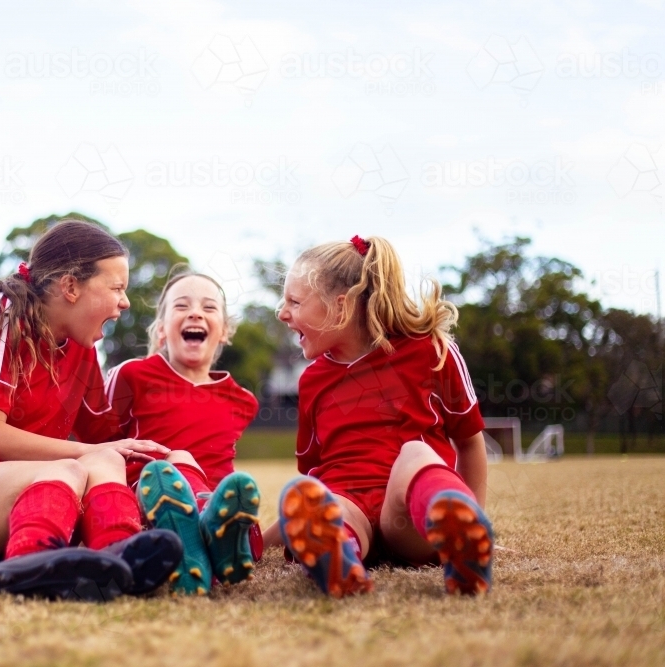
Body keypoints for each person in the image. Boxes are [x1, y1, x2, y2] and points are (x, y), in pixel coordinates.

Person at [0, 220, 182, 601]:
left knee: (113, 461)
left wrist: (161, 378)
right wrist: (84, 453)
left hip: (35, 489)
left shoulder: (82, 348)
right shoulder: (1, 315)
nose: (125, 302)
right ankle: (33, 564)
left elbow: (107, 440)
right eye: (116, 288)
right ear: (71, 286)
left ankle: (119, 557)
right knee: (69, 467)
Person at [262, 235, 493, 597]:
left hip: (409, 521)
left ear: (341, 306)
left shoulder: (430, 351)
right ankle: (339, 554)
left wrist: (476, 513)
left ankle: (457, 531)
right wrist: (259, 543)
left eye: (294, 301)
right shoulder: (312, 381)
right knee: (320, 499)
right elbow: (313, 476)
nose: (282, 312)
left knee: (415, 454)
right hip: (350, 511)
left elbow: (469, 441)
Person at [105, 269, 261, 596]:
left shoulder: (243, 400)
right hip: (150, 505)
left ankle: (212, 540)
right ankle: (196, 541)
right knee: (173, 461)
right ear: (161, 330)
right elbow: (102, 440)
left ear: (224, 331)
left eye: (208, 307)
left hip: (223, 511)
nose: (195, 313)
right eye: (181, 306)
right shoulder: (132, 375)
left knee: (234, 494)